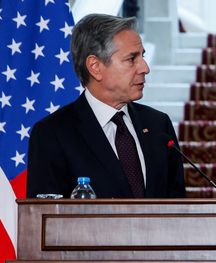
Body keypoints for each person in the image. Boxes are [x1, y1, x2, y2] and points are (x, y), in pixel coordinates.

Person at [26, 14, 186, 198]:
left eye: (142, 56)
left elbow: (177, 209)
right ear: (95, 67)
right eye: (132, 59)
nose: (145, 68)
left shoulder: (159, 125)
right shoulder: (53, 134)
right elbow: (43, 219)